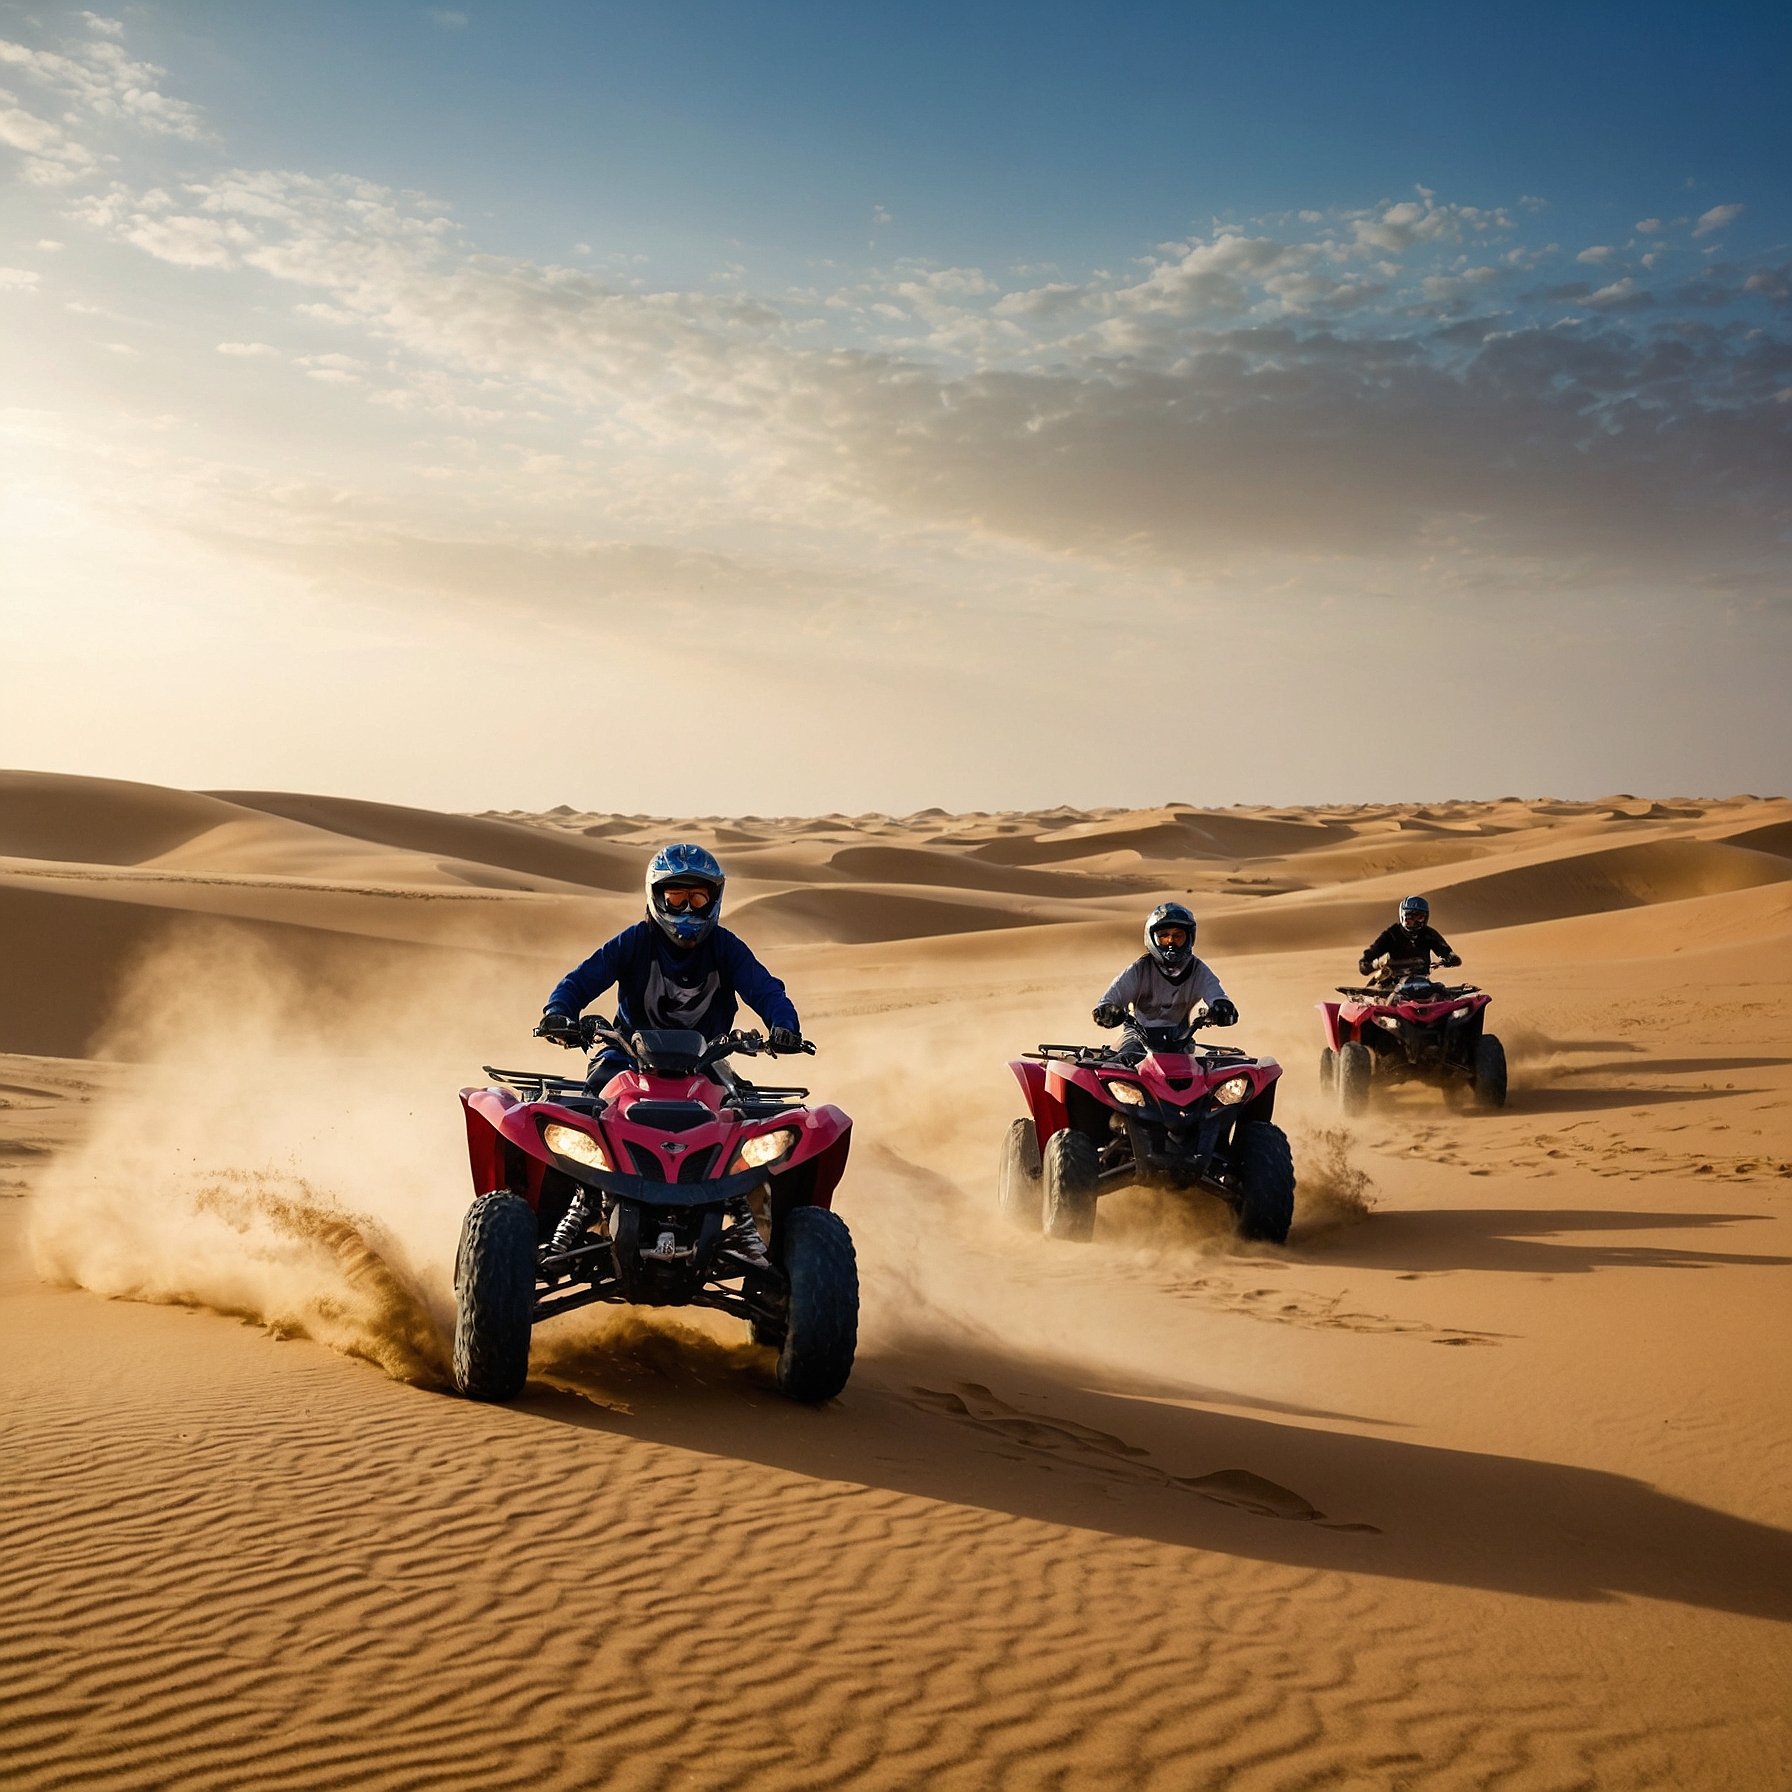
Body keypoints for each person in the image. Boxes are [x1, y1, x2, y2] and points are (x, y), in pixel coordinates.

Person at [539, 844, 802, 1084]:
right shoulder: (635, 941)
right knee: (597, 1092)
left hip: (705, 1062)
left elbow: (766, 991)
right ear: (657, 896)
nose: (688, 909)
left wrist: (784, 1025)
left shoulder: (726, 947)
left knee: (743, 1114)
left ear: (714, 899)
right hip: (629, 1058)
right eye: (676, 898)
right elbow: (581, 980)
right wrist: (558, 1012)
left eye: (698, 898)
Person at [1092, 902, 1238, 1051]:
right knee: (1126, 1060)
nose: (1170, 942)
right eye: (1163, 936)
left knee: (1197, 1068)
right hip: (1136, 1035)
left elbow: (1215, 993)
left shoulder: (1197, 969)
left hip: (1180, 1038)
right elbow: (1110, 999)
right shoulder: (1140, 969)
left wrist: (1222, 1007)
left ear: (1189, 938)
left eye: (1178, 936)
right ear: (1152, 938)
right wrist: (1107, 1011)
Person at [1358, 895, 1461, 984]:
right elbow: (1365, 963)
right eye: (1410, 918)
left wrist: (1450, 958)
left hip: (1421, 983)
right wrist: (1374, 965)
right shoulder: (1391, 935)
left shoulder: (1428, 934)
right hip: (1392, 984)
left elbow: (1448, 953)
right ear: (1403, 916)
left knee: (1440, 990)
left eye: (1419, 918)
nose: (1416, 922)